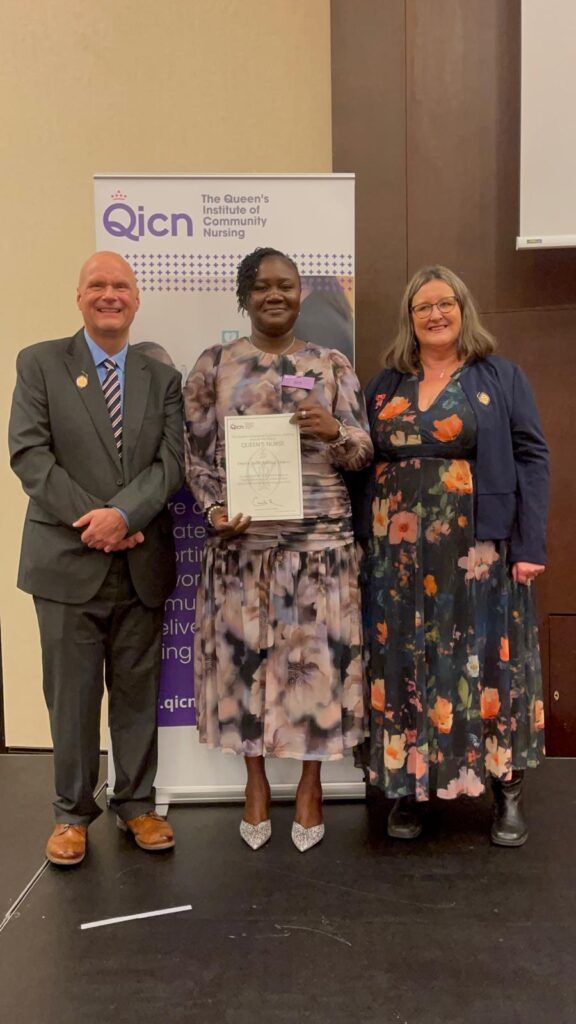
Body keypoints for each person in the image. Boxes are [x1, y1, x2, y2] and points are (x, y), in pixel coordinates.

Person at [184, 246, 373, 852]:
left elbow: (363, 453)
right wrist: (216, 511)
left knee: (313, 671)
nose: (275, 294)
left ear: (299, 295)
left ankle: (311, 785)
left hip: (319, 546)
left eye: (286, 285)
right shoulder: (215, 365)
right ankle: (256, 782)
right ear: (244, 295)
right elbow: (195, 455)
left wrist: (336, 430)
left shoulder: (330, 364)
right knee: (245, 669)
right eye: (262, 285)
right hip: (242, 548)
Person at [354, 265, 549, 847]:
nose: (434, 315)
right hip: (397, 558)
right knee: (408, 663)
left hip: (477, 554)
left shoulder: (499, 377)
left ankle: (504, 791)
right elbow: (364, 457)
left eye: (445, 304)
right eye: (422, 307)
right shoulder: (387, 382)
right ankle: (412, 790)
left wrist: (529, 544)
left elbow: (531, 458)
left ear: (463, 310)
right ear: (409, 320)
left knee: (485, 662)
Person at [9, 251, 185, 866]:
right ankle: (71, 814)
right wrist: (98, 522)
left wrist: (126, 518)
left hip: (139, 563)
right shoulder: (39, 363)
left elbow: (171, 463)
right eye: (97, 285)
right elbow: (30, 455)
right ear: (79, 296)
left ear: (136, 299)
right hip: (65, 561)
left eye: (121, 286)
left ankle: (136, 804)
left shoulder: (160, 376)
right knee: (72, 695)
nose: (110, 294)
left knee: (137, 694)